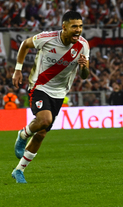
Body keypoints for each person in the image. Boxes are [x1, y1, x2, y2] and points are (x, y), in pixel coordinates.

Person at [11, 11, 90, 183]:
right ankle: (23, 135)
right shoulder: (46, 38)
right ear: (64, 27)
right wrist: (18, 69)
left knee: (41, 134)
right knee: (45, 120)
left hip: (60, 93)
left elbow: (84, 75)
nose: (78, 30)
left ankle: (19, 170)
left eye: (80, 26)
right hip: (39, 86)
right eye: (74, 26)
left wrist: (84, 67)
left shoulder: (83, 45)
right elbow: (25, 44)